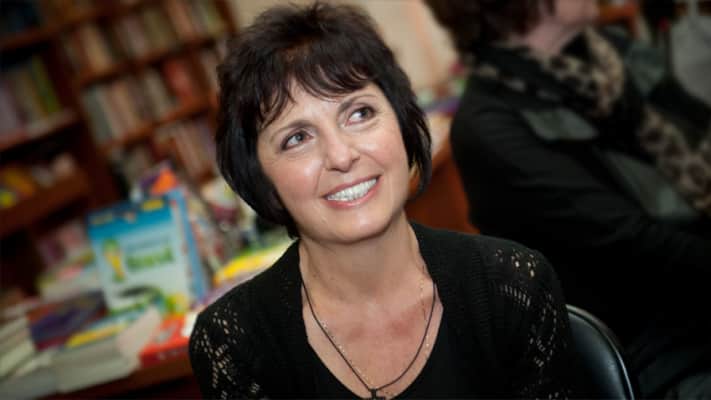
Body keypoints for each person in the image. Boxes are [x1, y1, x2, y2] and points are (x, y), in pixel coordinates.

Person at [189, 3, 577, 398]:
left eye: (359, 113)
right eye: (297, 138)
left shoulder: (513, 288)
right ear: (260, 177)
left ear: (403, 122)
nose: (341, 156)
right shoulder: (234, 343)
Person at [425, 0, 711, 397]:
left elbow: (700, 128)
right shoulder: (490, 127)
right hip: (656, 348)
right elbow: (633, 242)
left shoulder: (608, 50)